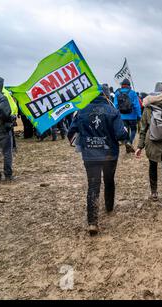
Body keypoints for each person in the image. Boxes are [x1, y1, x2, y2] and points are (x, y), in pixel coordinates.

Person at [67, 85, 128, 236]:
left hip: (90, 154)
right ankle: (109, 207)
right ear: (107, 96)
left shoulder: (82, 110)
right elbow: (121, 135)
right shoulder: (112, 111)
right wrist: (125, 132)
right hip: (109, 154)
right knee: (108, 180)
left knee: (93, 185)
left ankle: (92, 221)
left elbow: (70, 132)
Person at [0, 75, 14, 182]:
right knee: (7, 153)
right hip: (2, 130)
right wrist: (12, 118)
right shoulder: (1, 97)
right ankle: (8, 175)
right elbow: (6, 113)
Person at [114, 79, 142, 153]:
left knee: (125, 130)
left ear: (122, 85)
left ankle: (127, 142)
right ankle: (129, 142)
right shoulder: (133, 93)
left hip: (122, 116)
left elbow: (116, 105)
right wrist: (139, 115)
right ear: (129, 85)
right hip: (132, 116)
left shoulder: (117, 93)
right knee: (133, 130)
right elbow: (137, 105)